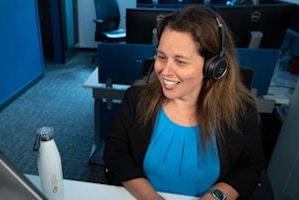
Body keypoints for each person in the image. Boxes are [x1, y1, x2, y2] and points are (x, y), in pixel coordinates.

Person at [103, 5, 266, 200]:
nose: (164, 71)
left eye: (180, 61)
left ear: (214, 66)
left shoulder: (240, 112)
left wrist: (213, 198)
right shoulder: (137, 99)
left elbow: (250, 168)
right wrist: (149, 197)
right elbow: (116, 155)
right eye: (161, 57)